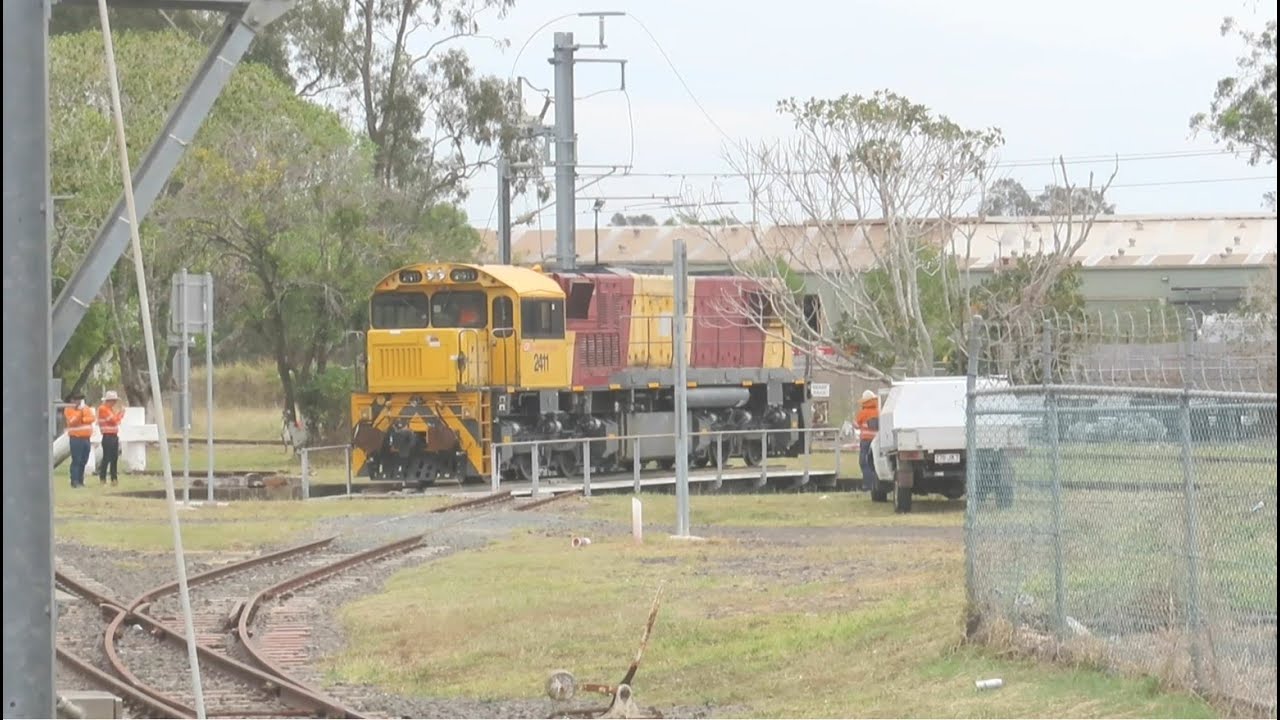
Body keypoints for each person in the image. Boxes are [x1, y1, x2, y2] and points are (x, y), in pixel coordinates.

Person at [63, 391, 96, 488]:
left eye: (80, 399)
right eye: (77, 399)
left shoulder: (85, 408)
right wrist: (80, 414)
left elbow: (92, 418)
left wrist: (83, 418)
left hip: (86, 438)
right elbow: (73, 422)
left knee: (83, 460)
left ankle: (81, 480)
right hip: (76, 438)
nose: (79, 401)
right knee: (76, 460)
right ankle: (74, 481)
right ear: (71, 400)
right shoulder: (68, 410)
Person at [97, 390, 126, 486]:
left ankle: (114, 478)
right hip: (107, 436)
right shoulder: (103, 409)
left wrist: (118, 415)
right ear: (109, 400)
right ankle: (103, 478)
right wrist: (121, 414)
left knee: (114, 458)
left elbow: (115, 420)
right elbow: (113, 420)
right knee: (106, 458)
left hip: (113, 435)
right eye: (113, 401)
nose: (115, 403)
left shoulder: (110, 410)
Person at [854, 389, 881, 492]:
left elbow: (856, 425)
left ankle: (867, 485)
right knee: (874, 463)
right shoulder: (879, 412)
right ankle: (875, 484)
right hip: (876, 442)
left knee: (863, 462)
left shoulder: (863, 413)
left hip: (865, 441)